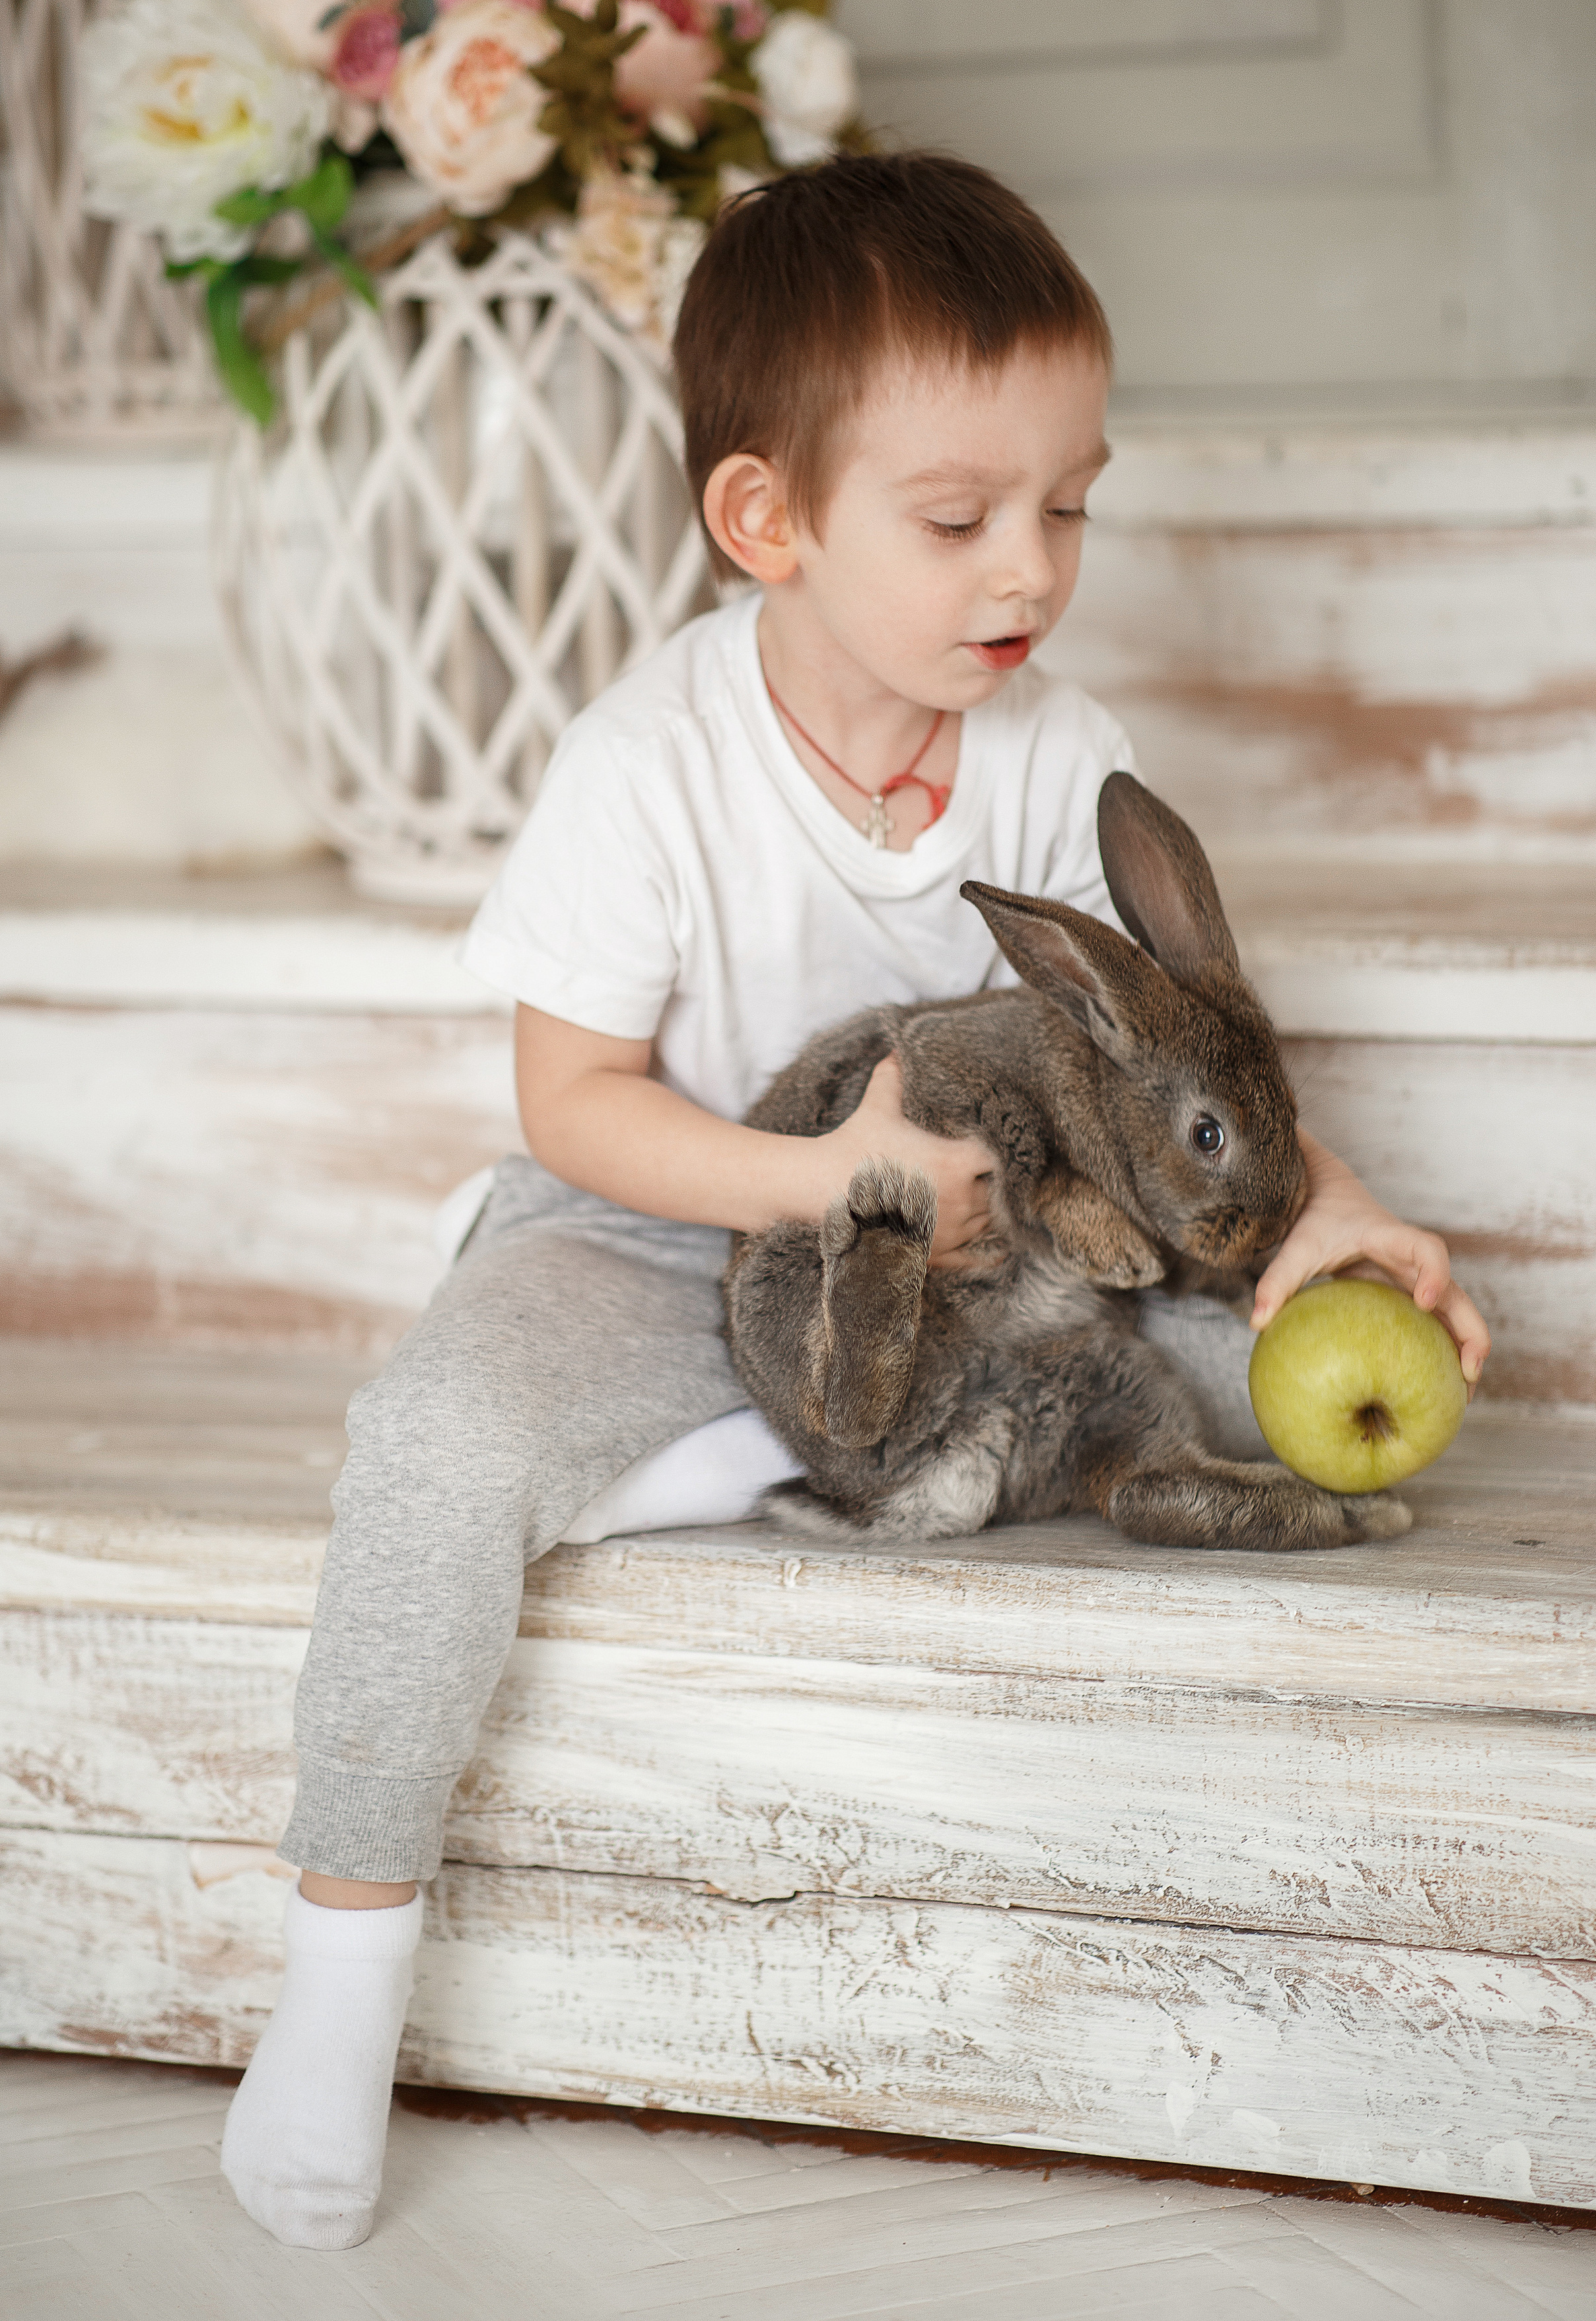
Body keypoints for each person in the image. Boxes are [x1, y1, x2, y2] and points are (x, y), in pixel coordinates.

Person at [220, 151, 1490, 2248]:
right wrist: (821, 1181)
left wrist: (1328, 1218)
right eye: (962, 519)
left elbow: (1183, 1075)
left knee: (1249, 1385)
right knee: (436, 1443)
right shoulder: (648, 763)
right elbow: (573, 1099)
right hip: (670, 1215)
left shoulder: (1057, 751)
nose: (1033, 569)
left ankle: (790, 1449)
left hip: (995, 1262)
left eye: (1071, 506)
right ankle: (343, 1962)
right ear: (767, 521)